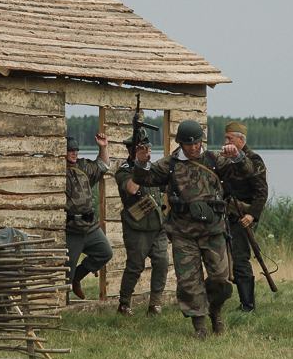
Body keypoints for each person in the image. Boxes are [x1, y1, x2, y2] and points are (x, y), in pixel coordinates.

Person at [132, 119, 254, 339]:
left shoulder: (215, 160)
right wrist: (141, 163)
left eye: (196, 143)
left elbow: (246, 173)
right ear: (180, 143)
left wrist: (237, 156)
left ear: (201, 141)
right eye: (188, 144)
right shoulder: (169, 164)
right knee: (189, 281)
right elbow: (144, 179)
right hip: (182, 233)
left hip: (214, 230)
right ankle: (200, 327)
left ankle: (215, 311)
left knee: (221, 279)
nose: (192, 147)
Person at [114, 130, 169, 316]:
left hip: (157, 224)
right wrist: (140, 165)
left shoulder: (152, 167)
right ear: (133, 151)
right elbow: (130, 189)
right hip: (137, 226)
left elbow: (165, 185)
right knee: (135, 265)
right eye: (143, 150)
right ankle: (124, 303)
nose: (149, 153)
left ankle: (155, 303)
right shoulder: (123, 170)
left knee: (162, 262)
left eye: (148, 150)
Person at [221, 121, 269, 313]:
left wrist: (252, 215)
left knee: (240, 258)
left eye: (229, 138)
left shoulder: (254, 160)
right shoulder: (226, 158)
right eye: (225, 138)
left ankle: (247, 305)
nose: (225, 142)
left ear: (241, 139)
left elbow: (261, 192)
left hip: (243, 217)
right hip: (226, 215)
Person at [65, 133, 114, 300]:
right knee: (66, 270)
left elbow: (103, 166)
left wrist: (103, 147)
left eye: (76, 150)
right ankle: (62, 305)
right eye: (70, 150)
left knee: (105, 252)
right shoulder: (54, 171)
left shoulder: (82, 166)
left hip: (90, 225)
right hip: (71, 229)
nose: (74, 153)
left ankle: (77, 277)